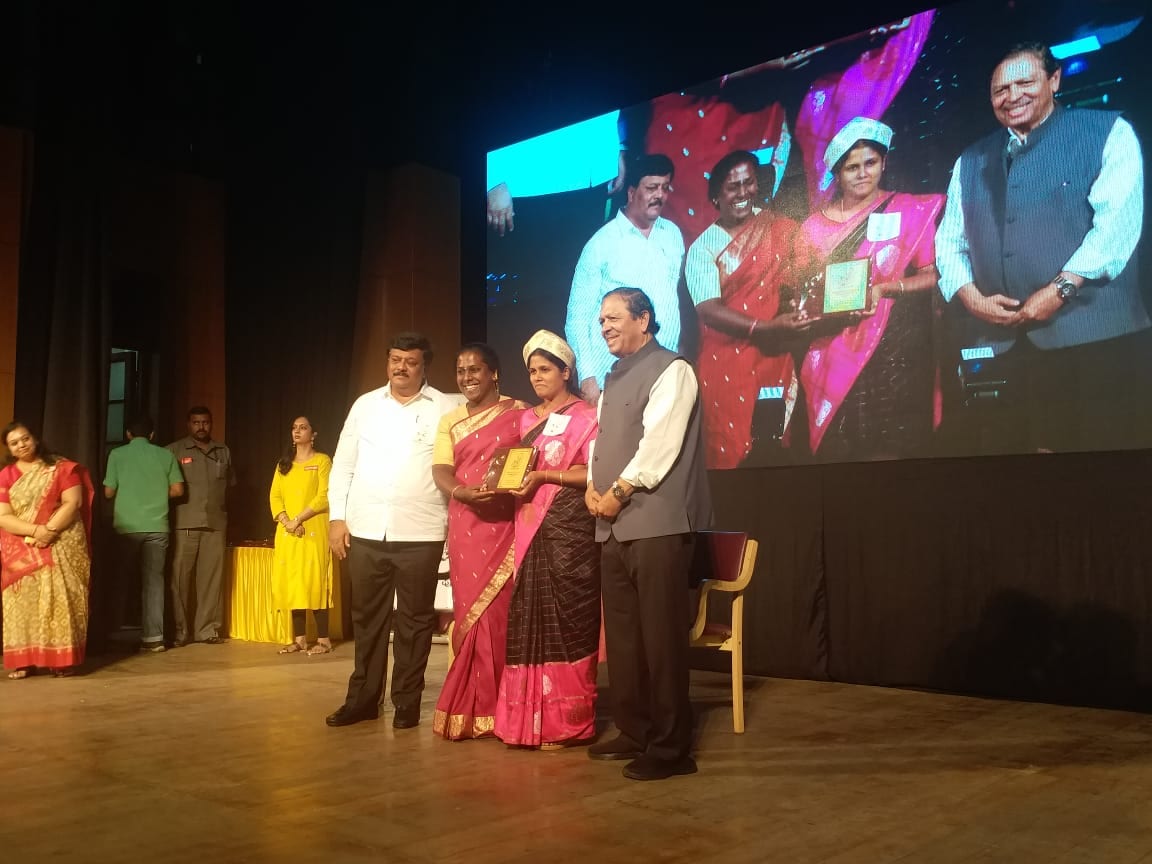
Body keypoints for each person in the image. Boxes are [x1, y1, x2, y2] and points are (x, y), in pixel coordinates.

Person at [935, 42, 1149, 453]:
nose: (1012, 96)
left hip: (1097, 343)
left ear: (1054, 80)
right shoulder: (971, 159)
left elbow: (1116, 229)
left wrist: (1058, 291)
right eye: (1000, 89)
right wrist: (971, 298)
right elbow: (948, 244)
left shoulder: (1107, 132)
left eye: (1024, 82)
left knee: (1101, 470)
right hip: (1006, 351)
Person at [585, 288, 713, 782]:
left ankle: (670, 748)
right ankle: (634, 729)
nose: (604, 327)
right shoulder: (615, 376)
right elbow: (603, 443)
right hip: (612, 525)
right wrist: (595, 492)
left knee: (660, 640)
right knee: (623, 639)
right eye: (600, 321)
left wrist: (616, 490)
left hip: (658, 524)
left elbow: (659, 445)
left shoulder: (672, 369)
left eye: (614, 318)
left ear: (645, 319)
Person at [325, 332, 456, 728]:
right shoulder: (365, 406)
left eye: (410, 361)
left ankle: (407, 703)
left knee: (414, 622)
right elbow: (344, 463)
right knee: (367, 621)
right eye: (395, 359)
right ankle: (363, 700)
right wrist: (336, 517)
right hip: (366, 531)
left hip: (422, 532)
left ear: (424, 367)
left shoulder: (447, 407)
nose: (401, 367)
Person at [796, 118, 945, 460]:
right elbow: (803, 292)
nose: (862, 173)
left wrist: (884, 290)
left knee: (892, 447)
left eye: (870, 163)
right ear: (837, 172)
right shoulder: (813, 227)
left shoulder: (908, 209)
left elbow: (931, 275)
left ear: (884, 163)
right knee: (843, 448)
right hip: (833, 345)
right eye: (851, 168)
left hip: (894, 348)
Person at [494, 330, 601, 749]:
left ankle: (568, 723)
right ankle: (524, 723)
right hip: (528, 527)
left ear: (566, 371)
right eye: (532, 371)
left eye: (545, 369)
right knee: (527, 618)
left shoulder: (589, 416)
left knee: (572, 619)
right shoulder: (525, 419)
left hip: (571, 531)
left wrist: (543, 476)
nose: (537, 377)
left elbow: (592, 473)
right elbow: (515, 468)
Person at [685, 150, 815, 468]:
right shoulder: (703, 247)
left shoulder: (779, 229)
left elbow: (805, 274)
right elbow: (708, 309)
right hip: (726, 364)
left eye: (749, 183)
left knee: (775, 451)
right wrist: (767, 328)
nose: (743, 193)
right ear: (716, 195)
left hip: (774, 358)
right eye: (733, 187)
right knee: (731, 454)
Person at [431, 343, 526, 740]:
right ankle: (472, 706)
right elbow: (441, 469)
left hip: (506, 521)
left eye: (475, 370)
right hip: (467, 521)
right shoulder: (450, 421)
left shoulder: (519, 412)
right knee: (472, 614)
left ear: (494, 374)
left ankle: (503, 706)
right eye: (461, 371)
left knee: (502, 615)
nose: (467, 377)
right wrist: (461, 493)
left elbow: (528, 459)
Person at [565, 154, 686, 402]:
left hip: (663, 373)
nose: (659, 195)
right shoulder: (601, 244)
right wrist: (588, 376)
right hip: (611, 376)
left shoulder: (672, 234)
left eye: (664, 188)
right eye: (651, 188)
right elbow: (576, 318)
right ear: (631, 192)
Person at [0, 422, 94, 678]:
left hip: (60, 541)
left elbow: (73, 502)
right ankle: (24, 661)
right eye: (14, 442)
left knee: (59, 600)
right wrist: (35, 531)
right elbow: (3, 516)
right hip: (21, 547)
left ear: (35, 438)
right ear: (9, 448)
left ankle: (61, 661)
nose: (22, 444)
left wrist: (49, 531)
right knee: (22, 605)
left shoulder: (61, 468)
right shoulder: (6, 475)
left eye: (25, 438)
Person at [103, 415, 186, 652]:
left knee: (119, 581)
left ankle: (111, 633)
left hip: (126, 528)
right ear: (152, 435)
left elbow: (108, 492)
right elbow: (178, 490)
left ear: (128, 434)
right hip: (158, 527)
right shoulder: (166, 455)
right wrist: (158, 494)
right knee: (154, 583)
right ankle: (154, 639)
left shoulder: (117, 455)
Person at [167, 406, 235, 646]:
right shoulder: (173, 451)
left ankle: (207, 630)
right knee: (179, 581)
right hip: (185, 523)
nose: (201, 427)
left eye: (205, 422)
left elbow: (230, 485)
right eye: (196, 422)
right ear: (188, 425)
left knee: (211, 582)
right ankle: (180, 632)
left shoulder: (223, 451)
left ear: (211, 424)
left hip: (215, 523)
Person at [268, 415, 333, 656]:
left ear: (313, 434)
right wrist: (287, 521)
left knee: (314, 581)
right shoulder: (283, 464)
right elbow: (275, 496)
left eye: (303, 427)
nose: (297, 431)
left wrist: (299, 519)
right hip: (288, 533)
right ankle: (299, 639)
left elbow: (324, 496)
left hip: (313, 530)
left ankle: (324, 640)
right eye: (294, 427)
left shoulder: (323, 461)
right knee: (292, 582)